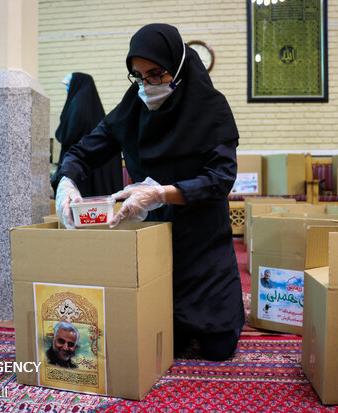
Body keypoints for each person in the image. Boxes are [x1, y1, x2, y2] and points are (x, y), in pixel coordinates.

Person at [53, 23, 245, 361]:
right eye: (139, 76)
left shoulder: (210, 109)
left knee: (219, 349)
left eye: (156, 74)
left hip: (203, 242)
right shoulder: (132, 109)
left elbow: (220, 178)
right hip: (154, 239)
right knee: (164, 343)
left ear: (179, 67)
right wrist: (66, 181)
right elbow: (82, 152)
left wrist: (160, 193)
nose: (148, 85)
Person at [50, 72, 123, 197]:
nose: (67, 88)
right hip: (97, 169)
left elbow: (67, 136)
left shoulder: (77, 105)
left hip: (80, 168)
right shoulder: (93, 107)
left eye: (68, 85)